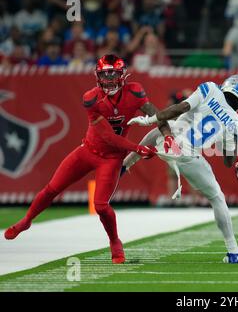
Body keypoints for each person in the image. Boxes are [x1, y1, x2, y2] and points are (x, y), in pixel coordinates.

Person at [4, 54, 178, 264]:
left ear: (123, 75)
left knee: (101, 206)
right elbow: (107, 136)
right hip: (88, 151)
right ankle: (26, 220)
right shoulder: (91, 97)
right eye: (105, 74)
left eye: (113, 73)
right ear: (98, 76)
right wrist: (137, 149)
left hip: (112, 159)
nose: (109, 79)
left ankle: (115, 242)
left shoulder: (135, 91)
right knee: (52, 188)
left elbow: (157, 115)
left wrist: (168, 136)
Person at [124, 75, 238, 263]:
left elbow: (180, 108)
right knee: (217, 198)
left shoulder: (210, 88)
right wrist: (229, 144)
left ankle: (127, 163)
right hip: (189, 155)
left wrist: (151, 119)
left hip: (172, 143)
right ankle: (233, 251)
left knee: (161, 130)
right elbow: (228, 162)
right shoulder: (237, 124)